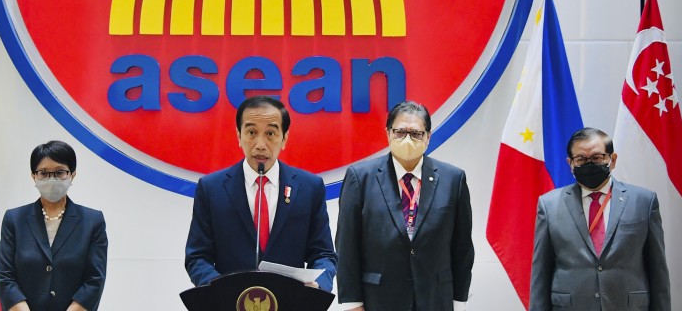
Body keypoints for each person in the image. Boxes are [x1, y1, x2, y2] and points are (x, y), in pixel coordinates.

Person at [184, 95, 337, 291]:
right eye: (251, 132)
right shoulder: (211, 188)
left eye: (270, 134)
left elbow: (323, 254)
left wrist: (317, 287)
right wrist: (221, 290)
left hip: (291, 301)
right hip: (231, 302)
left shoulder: (309, 187)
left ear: (284, 138)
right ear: (239, 136)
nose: (260, 145)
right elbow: (197, 257)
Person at [336, 100, 474, 311]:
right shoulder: (360, 178)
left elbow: (462, 247)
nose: (407, 139)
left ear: (428, 137)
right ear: (388, 134)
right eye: (400, 132)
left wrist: (458, 300)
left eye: (416, 134)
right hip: (379, 300)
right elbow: (347, 245)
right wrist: (352, 303)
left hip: (435, 299)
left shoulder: (453, 179)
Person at [530, 127, 670, 311]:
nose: (589, 164)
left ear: (612, 160)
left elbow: (657, 269)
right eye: (581, 159)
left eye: (597, 157)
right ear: (570, 163)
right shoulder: (549, 205)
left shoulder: (644, 201)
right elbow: (541, 272)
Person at [0, 140, 107, 311]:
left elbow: (95, 279)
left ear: (72, 175)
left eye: (60, 172)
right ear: (33, 176)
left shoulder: (92, 221)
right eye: (44, 173)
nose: (51, 179)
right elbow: (5, 276)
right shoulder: (14, 219)